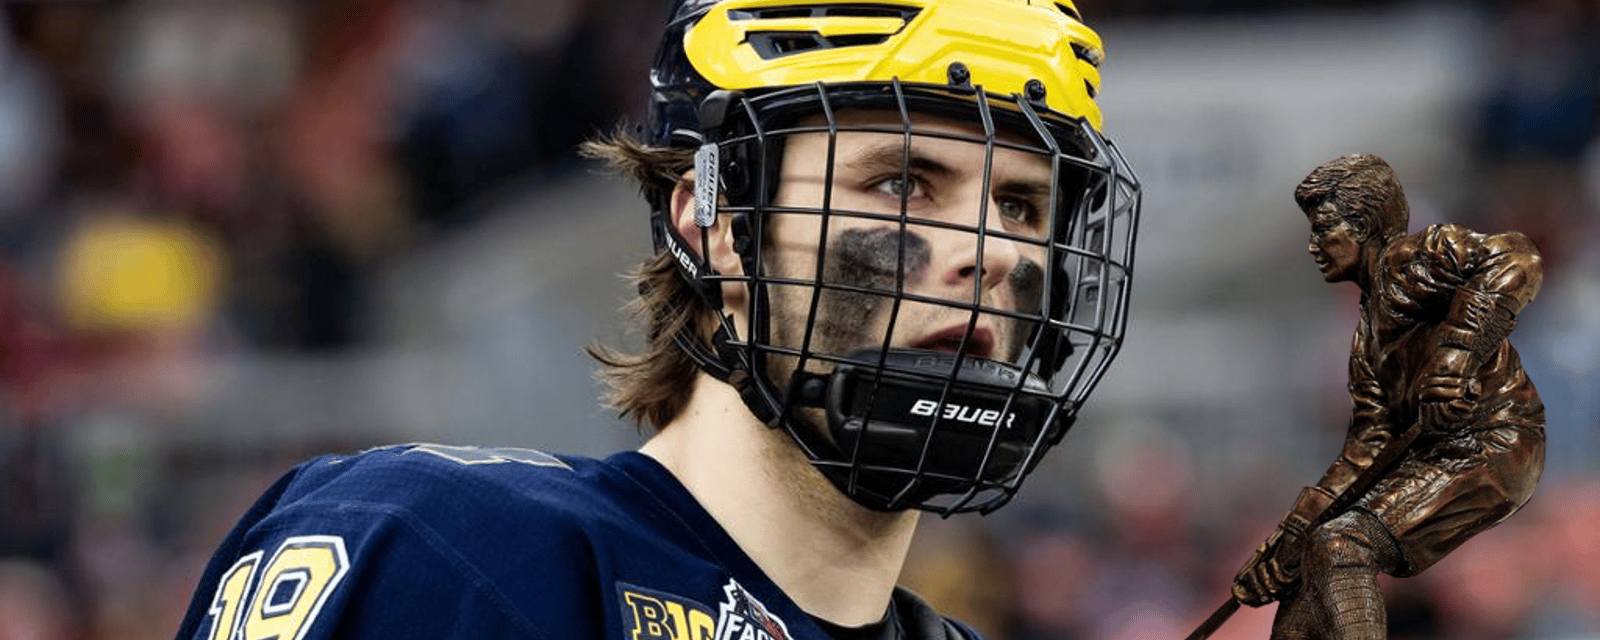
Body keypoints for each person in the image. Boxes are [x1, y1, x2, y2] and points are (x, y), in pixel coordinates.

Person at [171, 0, 1141, 638]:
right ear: (714, 224)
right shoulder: (448, 550)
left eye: (1021, 205)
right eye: (903, 183)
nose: (995, 251)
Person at [1231, 153, 1546, 640]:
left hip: (1493, 442)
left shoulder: (1414, 260)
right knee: (1308, 577)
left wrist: (1457, 354)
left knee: (1343, 547)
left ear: (1365, 225)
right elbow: (1366, 450)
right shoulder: (1366, 343)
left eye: (1325, 229)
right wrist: (1287, 543)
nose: (1314, 246)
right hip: (1448, 454)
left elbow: (1517, 257)